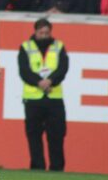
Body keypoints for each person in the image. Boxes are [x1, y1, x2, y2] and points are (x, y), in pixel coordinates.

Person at [17, 18, 69, 171]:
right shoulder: (26, 47)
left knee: (57, 135)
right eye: (41, 33)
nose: (44, 35)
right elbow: (24, 71)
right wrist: (39, 82)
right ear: (35, 32)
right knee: (34, 135)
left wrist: (51, 81)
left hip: (54, 97)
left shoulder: (58, 47)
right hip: (33, 98)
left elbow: (63, 68)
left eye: (47, 33)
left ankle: (57, 168)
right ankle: (37, 167)